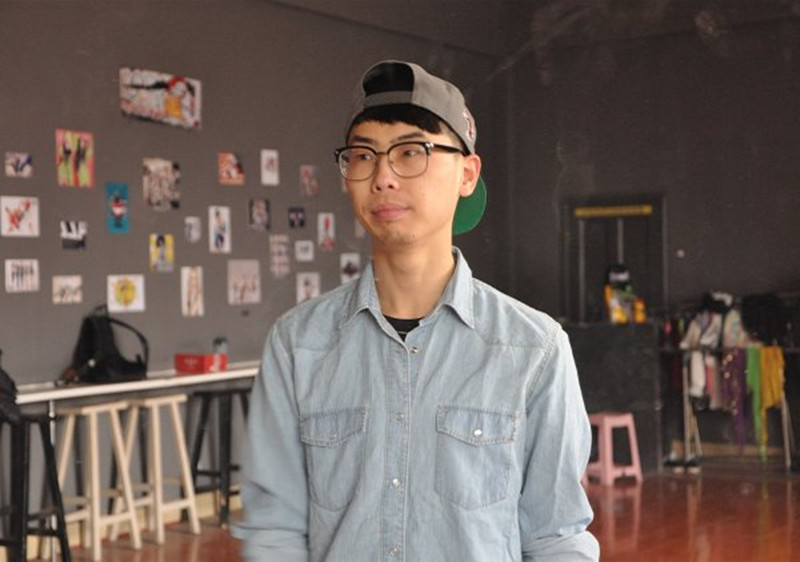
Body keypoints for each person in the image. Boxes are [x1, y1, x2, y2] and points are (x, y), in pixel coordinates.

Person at [236, 60, 599, 561]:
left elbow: (556, 537)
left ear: (467, 173)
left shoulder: (533, 349)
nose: (383, 177)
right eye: (363, 155)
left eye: (411, 152)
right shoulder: (298, 345)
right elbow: (274, 531)